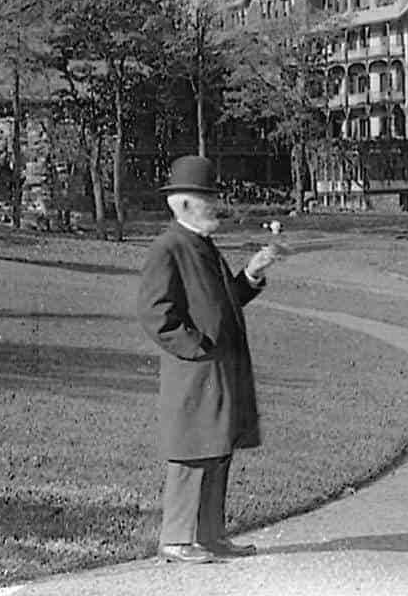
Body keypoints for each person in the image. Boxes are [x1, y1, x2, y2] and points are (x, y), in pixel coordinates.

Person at [137, 155, 281, 563]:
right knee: (191, 452)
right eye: (207, 198)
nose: (215, 204)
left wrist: (251, 273)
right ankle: (177, 539)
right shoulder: (169, 248)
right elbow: (154, 313)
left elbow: (225, 303)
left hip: (218, 370)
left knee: (217, 450)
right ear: (183, 205)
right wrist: (196, 348)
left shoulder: (201, 243)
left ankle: (211, 537)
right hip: (194, 372)